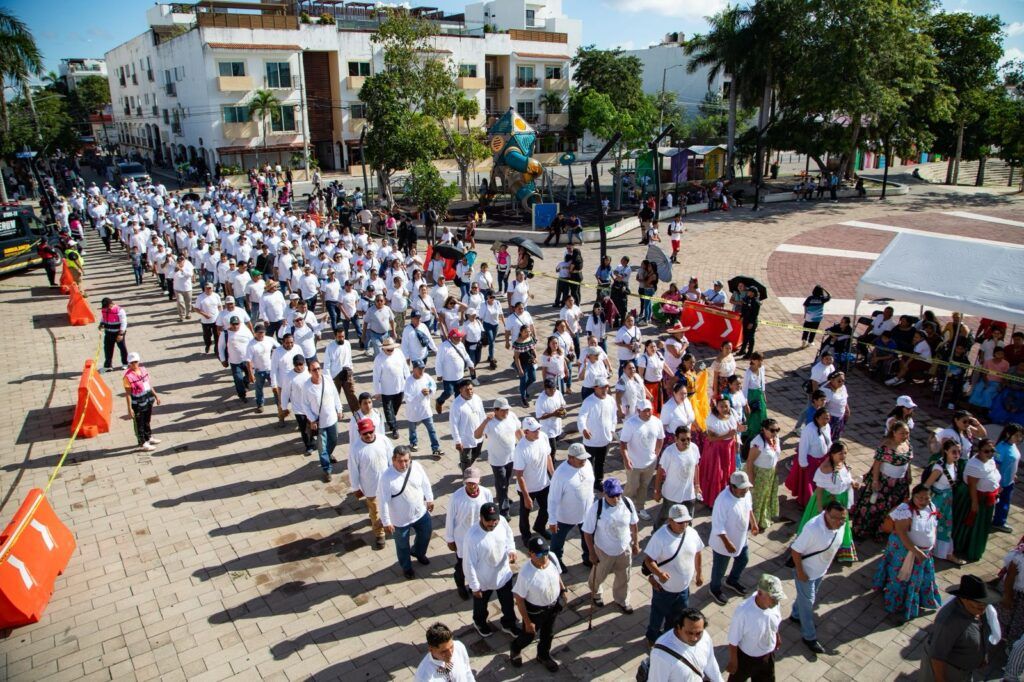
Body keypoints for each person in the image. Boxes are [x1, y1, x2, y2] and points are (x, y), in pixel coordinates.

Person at [872, 484, 941, 623]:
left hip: (923, 553)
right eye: (919, 498)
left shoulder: (931, 507)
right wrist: (917, 552)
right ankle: (895, 604)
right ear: (913, 496)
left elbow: (933, 526)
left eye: (926, 498)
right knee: (900, 578)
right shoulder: (904, 510)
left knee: (917, 580)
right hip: (905, 553)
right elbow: (902, 534)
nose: (923, 501)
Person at [790, 501, 848, 654]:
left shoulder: (841, 524)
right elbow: (795, 550)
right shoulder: (812, 528)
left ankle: (796, 615)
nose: (839, 522)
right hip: (806, 573)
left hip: (821, 571)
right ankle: (809, 636)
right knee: (808, 603)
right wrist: (800, 572)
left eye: (842, 518)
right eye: (834, 518)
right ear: (826, 513)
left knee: (805, 599)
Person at [918, 574, 999, 682]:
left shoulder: (980, 611)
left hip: (966, 672)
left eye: (985, 601)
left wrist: (982, 656)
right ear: (963, 598)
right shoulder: (948, 621)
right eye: (977, 601)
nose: (982, 605)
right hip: (950, 672)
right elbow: (937, 656)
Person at [644, 504, 704, 645]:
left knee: (677, 617)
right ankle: (652, 638)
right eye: (680, 522)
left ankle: (669, 638)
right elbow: (648, 560)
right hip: (663, 589)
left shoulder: (692, 533)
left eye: (686, 521)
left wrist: (699, 573)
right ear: (670, 520)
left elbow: (698, 552)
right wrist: (659, 573)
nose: (684, 525)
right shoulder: (660, 537)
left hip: (683, 589)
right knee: (657, 616)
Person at [463, 502, 520, 637]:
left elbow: (509, 535)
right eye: (488, 520)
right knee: (481, 606)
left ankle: (509, 623)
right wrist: (474, 586)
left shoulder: (502, 522)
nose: (492, 523)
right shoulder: (472, 537)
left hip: (503, 574)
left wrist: (511, 549)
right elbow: (468, 564)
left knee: (508, 603)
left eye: (495, 520)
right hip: (483, 580)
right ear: (481, 517)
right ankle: (479, 622)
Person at [583, 477, 640, 614]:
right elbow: (587, 532)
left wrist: (636, 543)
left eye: (618, 494)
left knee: (624, 577)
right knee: (598, 576)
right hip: (604, 551)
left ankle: (622, 600)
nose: (616, 498)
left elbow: (634, 524)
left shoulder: (627, 503)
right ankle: (596, 593)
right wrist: (592, 553)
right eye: (612, 495)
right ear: (604, 494)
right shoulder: (596, 508)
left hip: (624, 549)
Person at [852, 420, 913, 543]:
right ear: (894, 432)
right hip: (885, 483)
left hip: (900, 484)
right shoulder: (885, 446)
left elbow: (908, 462)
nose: (905, 436)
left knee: (893, 509)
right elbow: (877, 464)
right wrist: (875, 481)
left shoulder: (907, 443)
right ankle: (863, 531)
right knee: (874, 508)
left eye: (907, 433)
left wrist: (909, 475)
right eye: (902, 433)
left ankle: (883, 531)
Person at [510, 536, 565, 672]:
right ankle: (515, 648)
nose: (544, 557)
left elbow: (557, 574)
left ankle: (543, 655)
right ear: (530, 554)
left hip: (552, 606)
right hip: (535, 611)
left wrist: (563, 590)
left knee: (549, 633)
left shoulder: (552, 557)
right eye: (539, 554)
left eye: (545, 552)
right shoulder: (526, 574)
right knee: (529, 635)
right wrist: (528, 622)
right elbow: (519, 599)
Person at [379, 446, 434, 580]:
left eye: (406, 461)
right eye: (400, 461)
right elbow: (383, 501)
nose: (403, 464)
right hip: (400, 520)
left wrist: (430, 498)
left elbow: (425, 482)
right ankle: (407, 567)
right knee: (402, 546)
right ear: (393, 460)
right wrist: (386, 521)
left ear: (410, 459)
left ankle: (418, 552)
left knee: (426, 534)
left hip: (420, 513)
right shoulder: (386, 478)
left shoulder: (416, 467)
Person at [709, 471, 759, 606]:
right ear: (732, 486)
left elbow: (749, 508)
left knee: (743, 559)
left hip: (741, 539)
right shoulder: (722, 501)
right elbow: (718, 526)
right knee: (719, 569)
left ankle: (732, 580)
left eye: (746, 488)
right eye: (742, 489)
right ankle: (715, 589)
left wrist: (753, 523)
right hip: (723, 543)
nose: (745, 491)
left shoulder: (746, 493)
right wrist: (727, 543)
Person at [444, 466, 494, 600]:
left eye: (474, 482)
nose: (472, 486)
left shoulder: (486, 493)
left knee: (479, 564)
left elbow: (491, 513)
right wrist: (450, 539)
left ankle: (475, 585)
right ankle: (460, 585)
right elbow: (450, 518)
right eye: (469, 482)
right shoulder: (456, 497)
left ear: (479, 481)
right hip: (462, 539)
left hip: (480, 537)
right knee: (462, 566)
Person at [952, 438, 1002, 563]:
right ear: (979, 451)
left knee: (982, 525)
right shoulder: (974, 465)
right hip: (976, 499)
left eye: (992, 451)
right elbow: (972, 485)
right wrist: (974, 503)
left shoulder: (990, 460)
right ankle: (965, 548)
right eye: (986, 451)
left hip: (988, 499)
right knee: (972, 524)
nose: (990, 453)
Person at [726, 574, 783, 680]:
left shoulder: (774, 603)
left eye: (777, 597)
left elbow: (774, 622)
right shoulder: (743, 612)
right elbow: (733, 640)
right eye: (773, 598)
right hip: (746, 659)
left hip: (768, 655)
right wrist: (734, 661)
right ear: (760, 593)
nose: (776, 601)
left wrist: (777, 636)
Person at [547, 443, 595, 570]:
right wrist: (552, 520)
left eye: (585, 457)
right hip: (564, 517)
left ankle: (588, 557)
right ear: (570, 458)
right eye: (580, 459)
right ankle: (556, 562)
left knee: (588, 538)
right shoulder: (560, 475)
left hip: (586, 513)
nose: (584, 461)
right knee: (557, 542)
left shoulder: (587, 464)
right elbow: (552, 499)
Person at [349, 418, 394, 550]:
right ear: (359, 433)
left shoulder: (383, 440)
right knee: (375, 512)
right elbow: (353, 469)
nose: (368, 435)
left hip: (388, 483)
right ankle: (379, 534)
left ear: (374, 429)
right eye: (365, 433)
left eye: (370, 432)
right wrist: (355, 487)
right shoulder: (355, 449)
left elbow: (391, 458)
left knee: (391, 506)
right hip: (370, 487)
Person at [648, 609, 722, 682]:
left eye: (698, 633)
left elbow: (711, 663)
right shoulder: (661, 656)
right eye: (689, 633)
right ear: (678, 628)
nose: (694, 638)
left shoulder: (705, 637)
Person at [477, 397, 522, 516]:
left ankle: (502, 497)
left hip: (511, 457)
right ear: (495, 410)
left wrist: (525, 444)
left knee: (505, 481)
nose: (506, 412)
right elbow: (477, 435)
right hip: (497, 460)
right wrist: (485, 421)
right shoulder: (490, 422)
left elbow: (518, 431)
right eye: (503, 410)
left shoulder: (511, 416)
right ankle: (504, 511)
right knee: (502, 484)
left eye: (507, 409)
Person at [620, 398, 664, 520]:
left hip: (650, 463)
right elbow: (623, 443)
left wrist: (657, 453)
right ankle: (623, 506)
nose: (648, 413)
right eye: (645, 411)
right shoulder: (630, 424)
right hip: (634, 463)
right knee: (632, 486)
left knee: (644, 486)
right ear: (638, 411)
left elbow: (660, 438)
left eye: (649, 410)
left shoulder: (657, 422)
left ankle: (639, 507)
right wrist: (626, 459)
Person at [513, 417, 554, 545]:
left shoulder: (543, 437)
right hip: (528, 488)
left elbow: (548, 457)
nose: (538, 432)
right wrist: (526, 496)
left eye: (538, 429)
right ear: (526, 432)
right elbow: (519, 475)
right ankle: (526, 536)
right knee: (525, 514)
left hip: (544, 483)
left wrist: (553, 476)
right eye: (534, 430)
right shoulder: (521, 449)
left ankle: (540, 527)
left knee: (547, 508)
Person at [925, 439, 965, 565]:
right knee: (932, 525)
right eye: (954, 451)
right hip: (937, 501)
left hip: (947, 501)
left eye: (959, 451)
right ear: (946, 451)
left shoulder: (954, 464)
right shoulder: (939, 468)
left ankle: (945, 553)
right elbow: (926, 486)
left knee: (945, 526)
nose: (957, 454)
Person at [701, 397, 744, 508]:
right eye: (722, 406)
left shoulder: (732, 413)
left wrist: (738, 434)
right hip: (716, 449)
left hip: (729, 448)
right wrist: (727, 436)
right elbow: (710, 438)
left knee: (727, 471)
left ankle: (726, 497)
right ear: (717, 407)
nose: (725, 409)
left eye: (726, 406)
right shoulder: (712, 419)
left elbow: (735, 429)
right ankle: (713, 500)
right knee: (717, 473)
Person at [577, 378, 617, 490]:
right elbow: (581, 417)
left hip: (605, 438)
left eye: (606, 387)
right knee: (588, 462)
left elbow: (614, 416)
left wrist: (612, 430)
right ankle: (586, 481)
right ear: (595, 388)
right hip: (591, 439)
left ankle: (598, 482)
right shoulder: (588, 401)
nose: (604, 389)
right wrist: (584, 429)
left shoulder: (611, 400)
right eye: (601, 387)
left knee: (601, 462)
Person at [745, 418, 781, 530]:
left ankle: (763, 519)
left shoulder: (776, 439)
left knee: (767, 496)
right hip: (760, 474)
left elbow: (776, 456)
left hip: (770, 473)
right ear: (764, 429)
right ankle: (753, 521)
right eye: (772, 430)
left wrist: (775, 470)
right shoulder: (758, 443)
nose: (775, 433)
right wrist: (751, 479)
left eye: (777, 430)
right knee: (758, 498)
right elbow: (750, 461)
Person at [122, 352, 162, 452]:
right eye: (132, 362)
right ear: (129, 363)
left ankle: (148, 437)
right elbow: (128, 394)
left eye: (135, 362)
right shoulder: (128, 377)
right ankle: (142, 442)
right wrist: (129, 409)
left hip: (148, 400)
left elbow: (149, 384)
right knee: (139, 423)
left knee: (147, 420)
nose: (134, 364)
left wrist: (156, 395)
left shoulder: (143, 370)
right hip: (138, 404)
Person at [403, 359, 442, 459]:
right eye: (419, 369)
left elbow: (433, 385)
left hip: (426, 411)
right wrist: (421, 394)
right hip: (413, 412)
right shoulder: (408, 382)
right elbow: (408, 399)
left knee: (432, 430)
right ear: (414, 369)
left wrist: (430, 391)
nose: (421, 371)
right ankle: (413, 442)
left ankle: (435, 448)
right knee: (412, 429)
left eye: (423, 368)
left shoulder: (427, 377)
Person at [372, 337, 409, 439]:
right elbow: (376, 376)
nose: (391, 350)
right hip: (386, 390)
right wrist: (377, 391)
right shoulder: (379, 359)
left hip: (400, 387)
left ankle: (391, 419)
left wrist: (409, 382)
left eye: (392, 348)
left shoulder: (399, 353)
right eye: (388, 349)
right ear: (383, 348)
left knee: (395, 409)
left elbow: (405, 368)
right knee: (388, 410)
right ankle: (394, 428)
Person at [993, 423, 1024, 533]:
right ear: (1008, 434)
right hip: (1002, 483)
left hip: (1009, 481)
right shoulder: (1001, 448)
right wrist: (999, 483)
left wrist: (1013, 474)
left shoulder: (1012, 445)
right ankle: (999, 523)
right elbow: (996, 467)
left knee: (1005, 502)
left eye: (1021, 436)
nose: (1019, 438)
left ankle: (1000, 520)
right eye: (1016, 435)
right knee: (1002, 504)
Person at [451, 379, 486, 470]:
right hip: (465, 439)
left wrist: (485, 429)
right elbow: (453, 424)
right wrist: (457, 441)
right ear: (460, 390)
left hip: (478, 435)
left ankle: (464, 466)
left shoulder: (477, 398)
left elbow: (482, 414)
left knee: (477, 453)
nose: (470, 392)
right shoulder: (456, 404)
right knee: (466, 459)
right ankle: (466, 474)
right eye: (467, 390)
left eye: (471, 389)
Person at [244, 324, 279, 414]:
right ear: (255, 333)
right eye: (259, 333)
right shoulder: (251, 345)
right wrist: (251, 374)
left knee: (275, 388)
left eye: (263, 332)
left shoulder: (270, 339)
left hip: (271, 369)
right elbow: (248, 361)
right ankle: (260, 405)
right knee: (259, 389)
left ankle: (279, 405)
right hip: (259, 371)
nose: (261, 334)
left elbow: (279, 347)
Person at [99, 297, 129, 372]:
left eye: (107, 306)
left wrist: (121, 334)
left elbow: (124, 323)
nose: (106, 308)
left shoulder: (120, 310)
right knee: (107, 349)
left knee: (122, 348)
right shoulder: (104, 309)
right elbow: (103, 317)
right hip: (108, 333)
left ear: (111, 304)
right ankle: (108, 366)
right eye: (105, 307)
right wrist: (101, 324)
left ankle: (125, 363)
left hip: (117, 333)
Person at [737, 287, 761, 358]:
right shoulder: (746, 298)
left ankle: (749, 352)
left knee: (750, 337)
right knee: (745, 335)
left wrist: (751, 323)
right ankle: (742, 350)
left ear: (753, 293)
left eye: (749, 291)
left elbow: (755, 314)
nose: (747, 292)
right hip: (745, 320)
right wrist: (742, 317)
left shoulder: (756, 302)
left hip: (751, 322)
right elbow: (743, 309)